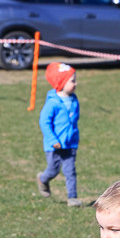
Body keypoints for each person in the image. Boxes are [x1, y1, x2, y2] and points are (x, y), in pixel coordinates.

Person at [37, 62, 82, 207]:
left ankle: (72, 197)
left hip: (70, 144)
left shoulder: (74, 100)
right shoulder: (53, 103)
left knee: (70, 171)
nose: (76, 83)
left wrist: (75, 137)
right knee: (53, 170)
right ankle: (43, 179)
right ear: (61, 83)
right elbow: (44, 122)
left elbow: (73, 121)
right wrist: (52, 140)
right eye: (72, 81)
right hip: (54, 145)